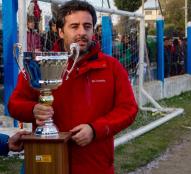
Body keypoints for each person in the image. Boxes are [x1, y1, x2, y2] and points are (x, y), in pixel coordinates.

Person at [8, 1, 138, 174]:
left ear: (93, 30)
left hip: (94, 165)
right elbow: (14, 104)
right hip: (47, 163)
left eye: (87, 26)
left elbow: (128, 109)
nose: (82, 32)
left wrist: (95, 129)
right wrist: (33, 110)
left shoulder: (112, 67)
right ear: (61, 31)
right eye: (74, 26)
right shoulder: (41, 65)